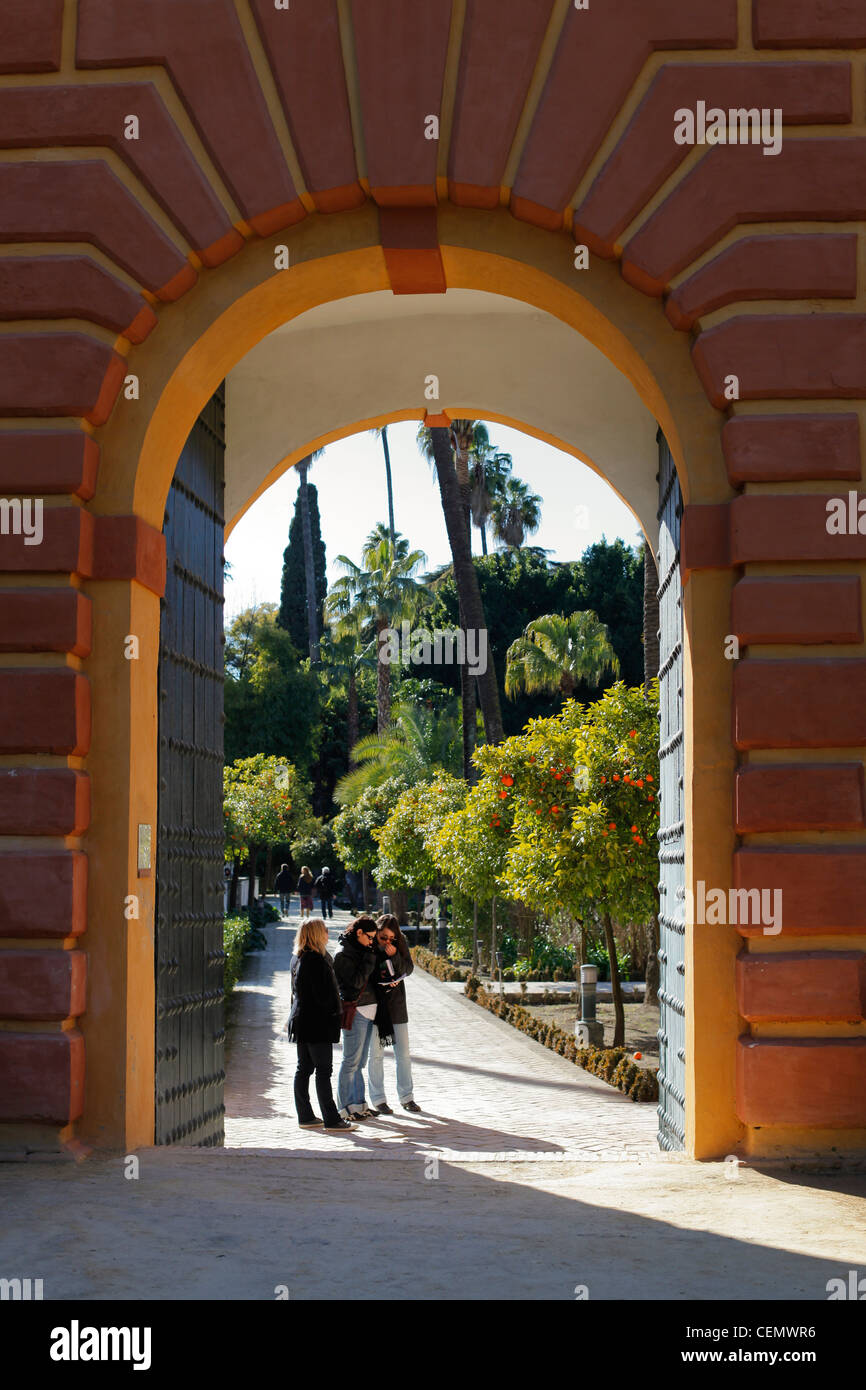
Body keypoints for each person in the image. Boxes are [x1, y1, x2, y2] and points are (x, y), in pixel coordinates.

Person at [287, 919, 355, 1133]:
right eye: (325, 930)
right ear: (316, 933)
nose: (328, 933)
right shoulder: (314, 960)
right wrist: (334, 1012)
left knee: (305, 1068)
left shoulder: (299, 957)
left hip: (302, 1021)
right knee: (323, 1070)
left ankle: (306, 1115)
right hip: (316, 1023)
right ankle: (331, 1119)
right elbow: (320, 996)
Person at [333, 916, 390, 1121]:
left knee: (360, 1063)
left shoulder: (364, 950)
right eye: (369, 938)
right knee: (350, 1061)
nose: (371, 942)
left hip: (370, 1011)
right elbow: (355, 983)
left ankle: (359, 1104)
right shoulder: (343, 954)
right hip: (356, 1011)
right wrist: (369, 957)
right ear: (359, 933)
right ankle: (345, 1108)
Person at [366, 915, 421, 1114]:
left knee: (403, 1054)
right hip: (376, 1005)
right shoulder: (369, 944)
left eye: (392, 938)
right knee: (376, 1054)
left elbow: (409, 968)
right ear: (377, 933)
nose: (387, 942)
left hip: (397, 1005)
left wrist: (395, 954)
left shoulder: (399, 944)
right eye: (383, 938)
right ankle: (378, 1099)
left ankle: (407, 1097)